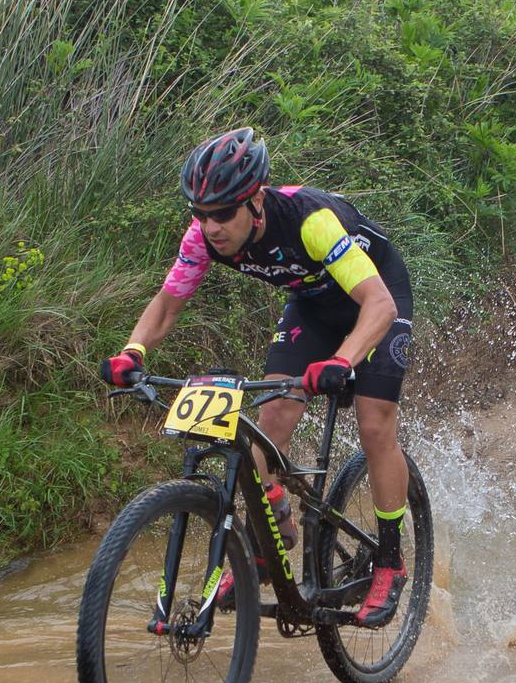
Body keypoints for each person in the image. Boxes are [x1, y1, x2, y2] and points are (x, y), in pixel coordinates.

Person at [100, 127, 416, 627]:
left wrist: (343, 360)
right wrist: (132, 350)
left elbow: (379, 305)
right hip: (312, 306)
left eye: (223, 214)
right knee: (271, 421)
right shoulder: (204, 237)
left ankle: (391, 562)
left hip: (375, 296)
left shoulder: (310, 221)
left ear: (256, 202)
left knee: (374, 425)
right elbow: (167, 304)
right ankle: (271, 539)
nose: (211, 227)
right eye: (200, 214)